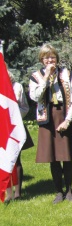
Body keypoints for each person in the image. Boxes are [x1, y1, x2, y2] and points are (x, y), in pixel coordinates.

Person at [29, 44, 72, 203]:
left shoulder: (67, 74)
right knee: (53, 158)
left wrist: (68, 120)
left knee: (67, 156)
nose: (50, 60)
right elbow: (35, 97)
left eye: (52, 57)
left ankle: (69, 191)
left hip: (64, 114)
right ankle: (58, 191)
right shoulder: (35, 77)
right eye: (46, 57)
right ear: (42, 59)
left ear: (57, 58)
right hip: (48, 119)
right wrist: (46, 78)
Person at [5, 70, 34, 201]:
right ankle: (8, 193)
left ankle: (18, 193)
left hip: (15, 127)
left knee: (16, 160)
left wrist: (14, 115)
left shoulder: (17, 87)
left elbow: (25, 108)